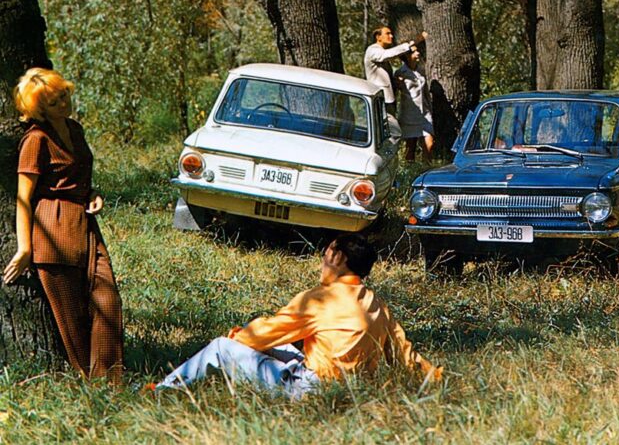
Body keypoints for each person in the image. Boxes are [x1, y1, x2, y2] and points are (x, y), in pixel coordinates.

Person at [150, 234, 442, 398]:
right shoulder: (376, 304)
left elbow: (269, 331)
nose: (322, 261)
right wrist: (435, 377)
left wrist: (236, 339)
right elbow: (405, 353)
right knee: (263, 337)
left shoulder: (321, 299)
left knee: (220, 348)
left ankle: (161, 391)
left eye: (326, 254)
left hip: (311, 389)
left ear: (338, 258)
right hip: (354, 390)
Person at [3, 68, 123, 383]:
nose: (63, 103)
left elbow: (77, 176)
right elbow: (23, 197)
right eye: (54, 102)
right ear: (40, 109)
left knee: (107, 300)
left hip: (84, 224)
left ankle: (111, 382)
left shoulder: (74, 129)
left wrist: (93, 193)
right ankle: (93, 386)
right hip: (52, 231)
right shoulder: (36, 140)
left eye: (63, 95)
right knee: (73, 319)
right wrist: (25, 248)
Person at [364, 27, 427, 116]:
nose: (391, 36)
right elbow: (387, 54)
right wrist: (413, 42)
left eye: (391, 33)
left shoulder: (381, 51)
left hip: (388, 98)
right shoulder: (372, 50)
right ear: (378, 37)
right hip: (380, 98)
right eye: (387, 34)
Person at [395, 48, 435, 162]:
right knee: (410, 147)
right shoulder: (400, 72)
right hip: (409, 114)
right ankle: (411, 169)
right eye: (414, 52)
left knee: (430, 144)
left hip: (425, 113)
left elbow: (425, 91)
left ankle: (426, 166)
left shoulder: (421, 70)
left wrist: (430, 108)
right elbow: (396, 90)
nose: (418, 53)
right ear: (407, 56)